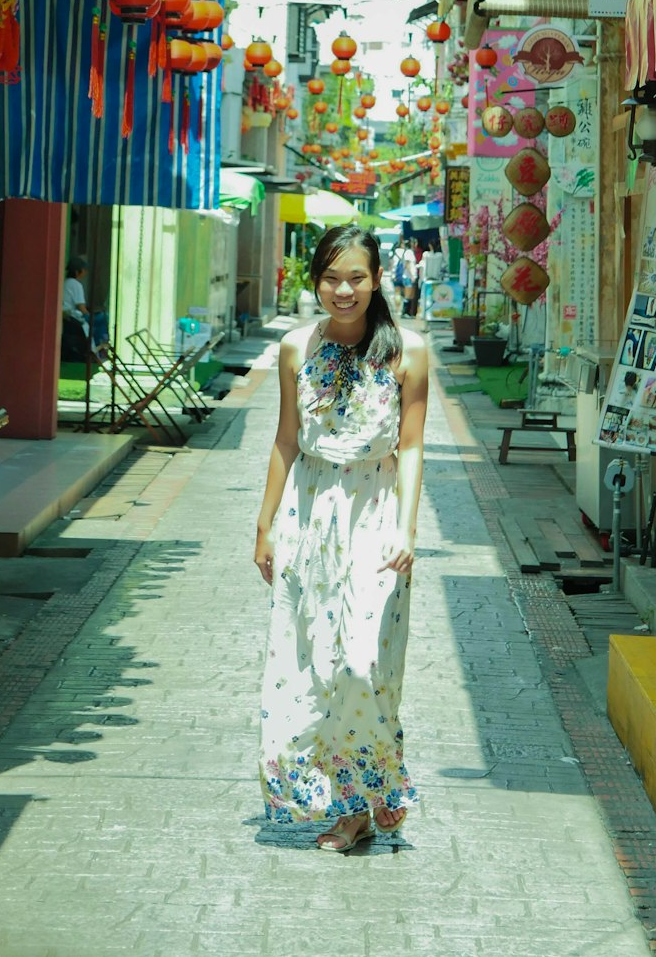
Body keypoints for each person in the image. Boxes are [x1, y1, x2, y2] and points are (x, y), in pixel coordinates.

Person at [254, 223, 429, 852]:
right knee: (313, 664)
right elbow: (283, 439)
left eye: (356, 276)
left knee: (362, 661)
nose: (344, 289)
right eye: (331, 277)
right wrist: (265, 525)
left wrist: (407, 526)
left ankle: (364, 798)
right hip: (309, 517)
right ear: (316, 282)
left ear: (377, 278)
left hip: (376, 517)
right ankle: (342, 803)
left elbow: (410, 448)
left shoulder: (408, 353)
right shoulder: (295, 349)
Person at [62, 256, 106, 363]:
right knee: (104, 318)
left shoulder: (65, 283)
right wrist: (90, 315)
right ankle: (100, 349)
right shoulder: (76, 284)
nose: (85, 273)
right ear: (77, 272)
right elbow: (81, 307)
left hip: (68, 317)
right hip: (74, 318)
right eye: (84, 270)